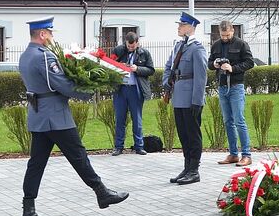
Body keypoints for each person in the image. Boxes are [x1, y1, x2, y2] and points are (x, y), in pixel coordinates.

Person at [19, 17, 128, 216]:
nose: (52, 36)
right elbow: (59, 83)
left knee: (36, 164)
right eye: (50, 33)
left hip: (39, 116)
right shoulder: (43, 57)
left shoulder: (25, 56)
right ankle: (101, 192)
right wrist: (87, 90)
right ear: (42, 34)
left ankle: (28, 211)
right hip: (55, 116)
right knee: (78, 155)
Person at [161, 12, 208, 185]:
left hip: (190, 98)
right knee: (183, 134)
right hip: (178, 96)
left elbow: (201, 77)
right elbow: (168, 67)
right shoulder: (178, 47)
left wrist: (197, 100)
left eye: (182, 25)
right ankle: (187, 167)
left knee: (192, 134)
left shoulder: (197, 48)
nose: (179, 27)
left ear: (190, 28)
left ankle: (194, 170)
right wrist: (166, 82)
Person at [208, 20, 254, 167]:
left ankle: (246, 155)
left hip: (236, 86)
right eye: (222, 35)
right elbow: (209, 63)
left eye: (227, 35)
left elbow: (250, 62)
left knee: (239, 120)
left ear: (232, 30)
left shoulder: (241, 44)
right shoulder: (216, 45)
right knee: (228, 121)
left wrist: (232, 68)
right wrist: (214, 64)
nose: (225, 37)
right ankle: (233, 154)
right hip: (222, 87)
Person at [109, 32, 154, 156]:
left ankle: (139, 146)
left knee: (137, 119)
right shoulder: (118, 50)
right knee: (120, 119)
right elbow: (108, 65)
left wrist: (137, 69)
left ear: (137, 43)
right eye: (129, 46)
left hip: (136, 90)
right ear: (125, 43)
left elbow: (151, 70)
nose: (130, 48)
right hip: (120, 89)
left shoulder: (144, 53)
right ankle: (118, 147)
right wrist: (119, 66)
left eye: (133, 47)